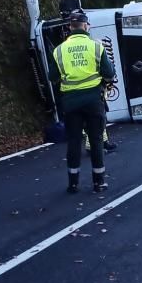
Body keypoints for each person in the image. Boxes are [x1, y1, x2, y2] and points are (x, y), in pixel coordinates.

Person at [50, 11, 115, 193]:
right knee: (95, 140)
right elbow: (109, 73)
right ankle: (99, 182)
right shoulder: (96, 47)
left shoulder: (58, 51)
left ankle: (73, 184)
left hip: (71, 103)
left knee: (74, 141)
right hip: (94, 101)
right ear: (86, 26)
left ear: (70, 27)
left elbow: (52, 77)